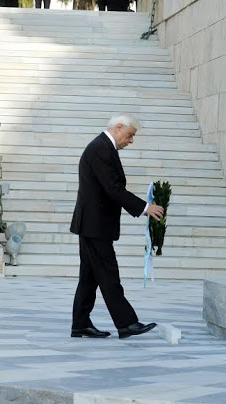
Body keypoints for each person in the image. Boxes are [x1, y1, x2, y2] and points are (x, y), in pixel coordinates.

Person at [70, 115, 164, 339]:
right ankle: (126, 323)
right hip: (95, 226)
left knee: (89, 277)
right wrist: (145, 208)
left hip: (93, 224)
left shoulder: (102, 147)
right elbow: (113, 189)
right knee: (108, 275)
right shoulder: (101, 149)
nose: (131, 141)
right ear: (118, 128)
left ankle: (80, 324)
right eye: (130, 135)